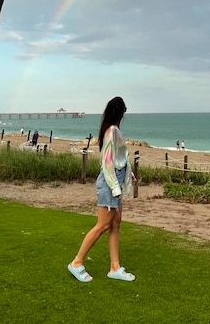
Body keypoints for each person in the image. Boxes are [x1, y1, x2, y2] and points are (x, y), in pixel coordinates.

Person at [68, 96, 135, 283]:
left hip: (115, 183)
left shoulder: (112, 130)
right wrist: (115, 188)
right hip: (109, 184)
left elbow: (119, 161)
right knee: (103, 225)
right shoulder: (112, 131)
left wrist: (127, 177)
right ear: (121, 112)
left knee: (115, 224)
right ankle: (76, 262)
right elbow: (107, 163)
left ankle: (115, 267)